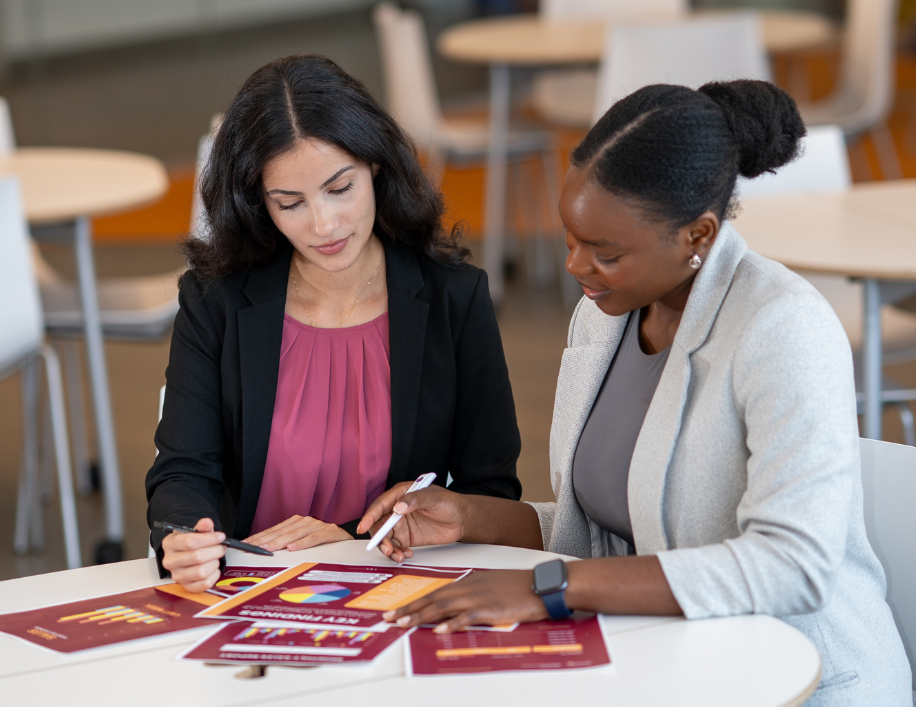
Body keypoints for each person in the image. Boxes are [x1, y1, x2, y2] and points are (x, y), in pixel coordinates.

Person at [358, 80, 913, 705]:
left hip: (797, 679)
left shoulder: (782, 328)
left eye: (605, 252)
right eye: (570, 238)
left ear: (697, 237)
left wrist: (553, 587)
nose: (575, 267)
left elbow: (792, 566)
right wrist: (469, 516)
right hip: (671, 662)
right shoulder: (609, 312)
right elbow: (606, 531)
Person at [145, 54, 521, 592]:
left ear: (377, 167)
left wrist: (344, 538)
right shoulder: (216, 300)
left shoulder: (453, 298)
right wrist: (182, 535)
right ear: (260, 205)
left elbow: (490, 496)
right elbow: (184, 470)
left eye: (339, 188)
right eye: (289, 203)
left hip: (398, 590)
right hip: (250, 590)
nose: (323, 224)